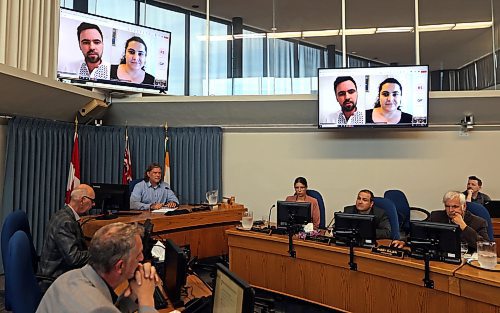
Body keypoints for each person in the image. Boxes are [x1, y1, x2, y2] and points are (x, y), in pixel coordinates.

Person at [36, 222, 158, 313]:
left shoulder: (70, 276)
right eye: (138, 255)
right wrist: (146, 300)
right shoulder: (99, 309)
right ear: (120, 266)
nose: (142, 258)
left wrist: (131, 297)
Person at [38, 184, 95, 281]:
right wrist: (97, 253)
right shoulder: (66, 222)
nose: (94, 204)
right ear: (82, 200)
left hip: (60, 269)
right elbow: (74, 258)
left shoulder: (63, 213)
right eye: (92, 201)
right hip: (55, 277)